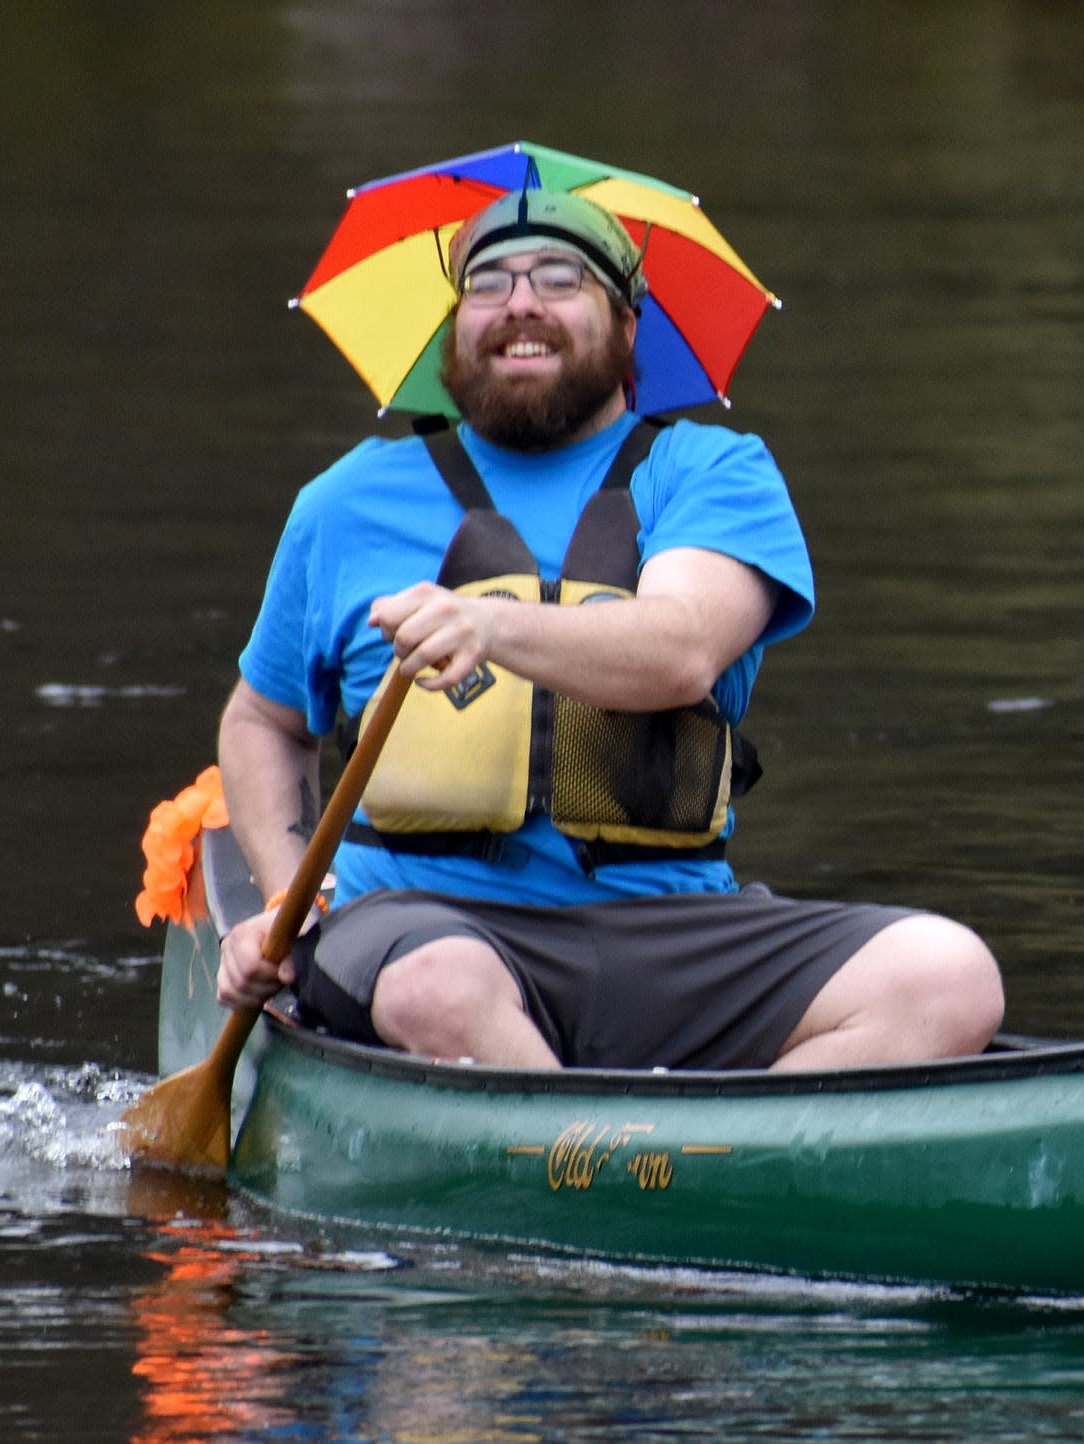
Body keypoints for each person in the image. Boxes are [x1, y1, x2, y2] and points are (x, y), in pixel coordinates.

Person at [216, 186, 1004, 1072]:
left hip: (671, 932)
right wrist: (295, 898)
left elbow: (681, 651)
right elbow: (264, 723)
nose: (520, 302)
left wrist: (486, 625)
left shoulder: (710, 470)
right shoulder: (344, 503)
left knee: (950, 976)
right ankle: (615, 1160)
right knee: (439, 986)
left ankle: (716, 1160)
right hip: (419, 925)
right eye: (487, 284)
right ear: (452, 332)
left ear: (629, 329)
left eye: (560, 277)